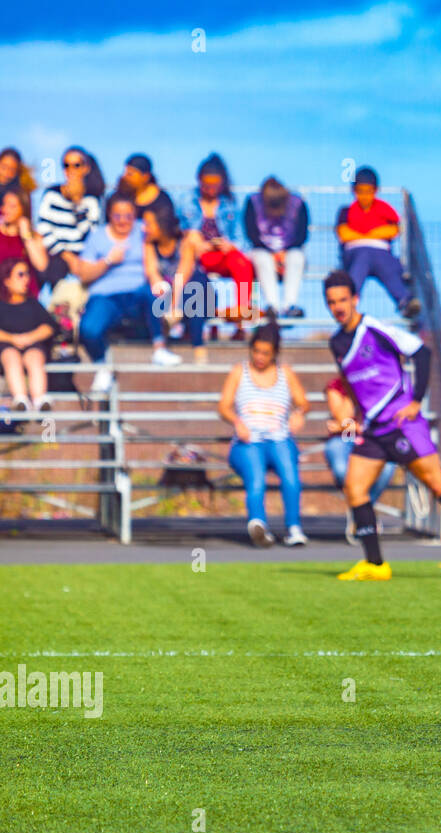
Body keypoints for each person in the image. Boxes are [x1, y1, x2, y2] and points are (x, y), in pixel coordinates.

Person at [324, 270, 441, 580]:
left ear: (355, 299)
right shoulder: (336, 342)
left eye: (343, 300)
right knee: (354, 488)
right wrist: (353, 417)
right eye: (332, 302)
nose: (338, 307)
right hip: (374, 429)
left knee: (435, 482)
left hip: (403, 422)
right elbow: (352, 384)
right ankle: (376, 564)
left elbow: (422, 352)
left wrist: (416, 399)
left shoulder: (374, 328)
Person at [72, 192, 182, 393]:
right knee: (88, 329)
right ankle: (102, 365)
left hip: (138, 295)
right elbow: (83, 274)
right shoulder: (97, 237)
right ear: (109, 215)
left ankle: (159, 348)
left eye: (128, 216)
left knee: (152, 294)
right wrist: (107, 261)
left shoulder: (143, 232)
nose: (123, 221)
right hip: (106, 296)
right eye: (117, 216)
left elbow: (169, 241)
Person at [217, 322, 310, 547]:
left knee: (290, 477)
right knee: (256, 478)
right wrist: (237, 422)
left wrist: (299, 413)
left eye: (265, 353)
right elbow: (224, 406)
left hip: (279, 438)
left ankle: (293, 527)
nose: (259, 357)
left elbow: (303, 403)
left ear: (275, 353)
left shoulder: (285, 373)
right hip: (249, 441)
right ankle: (258, 524)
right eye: (256, 351)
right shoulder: (240, 371)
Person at [334, 167, 420, 319]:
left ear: (375, 190)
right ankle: (349, 305)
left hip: (381, 254)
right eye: (360, 191)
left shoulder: (385, 210)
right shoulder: (346, 211)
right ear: (354, 191)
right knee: (363, 259)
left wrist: (361, 233)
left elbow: (393, 230)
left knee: (387, 265)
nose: (365, 196)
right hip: (355, 254)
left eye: (369, 191)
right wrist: (374, 232)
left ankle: (405, 301)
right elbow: (344, 234)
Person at [179, 154, 255, 322]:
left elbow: (240, 237)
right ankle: (185, 317)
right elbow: (176, 230)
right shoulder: (186, 201)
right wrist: (193, 239)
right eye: (206, 184)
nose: (211, 189)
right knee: (190, 252)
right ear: (199, 180)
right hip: (196, 255)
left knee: (241, 262)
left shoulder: (230, 204)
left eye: (215, 185)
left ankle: (242, 311)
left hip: (221, 254)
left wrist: (231, 245)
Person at [322, 376, 396, 542]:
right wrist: (352, 391)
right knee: (342, 470)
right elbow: (343, 421)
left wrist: (350, 426)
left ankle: (362, 511)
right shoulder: (336, 386)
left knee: (387, 467)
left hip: (371, 438)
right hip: (344, 438)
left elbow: (379, 422)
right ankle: (361, 511)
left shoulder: (377, 382)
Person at [142, 205, 209, 364]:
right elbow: (153, 274)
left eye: (149, 224)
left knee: (194, 291)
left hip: (196, 293)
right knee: (150, 293)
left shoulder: (185, 242)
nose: (145, 228)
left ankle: (199, 348)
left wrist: (174, 309)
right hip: (172, 293)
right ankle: (163, 338)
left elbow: (182, 276)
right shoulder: (149, 244)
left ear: (162, 225)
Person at [35, 145, 105, 287]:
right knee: (56, 269)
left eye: (76, 165)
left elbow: (91, 235)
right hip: (57, 254)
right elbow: (43, 229)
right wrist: (66, 255)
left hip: (83, 256)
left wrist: (77, 203)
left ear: (86, 168)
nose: (70, 170)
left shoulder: (92, 199)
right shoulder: (51, 193)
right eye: (66, 165)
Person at [244, 176, 309, 319]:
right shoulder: (253, 202)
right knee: (262, 259)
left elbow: (302, 235)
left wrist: (284, 253)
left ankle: (289, 306)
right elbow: (251, 233)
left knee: (297, 257)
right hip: (262, 251)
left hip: (290, 250)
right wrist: (273, 255)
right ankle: (272, 307)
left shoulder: (297, 203)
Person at [0, 258, 58, 412]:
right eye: (20, 275)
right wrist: (13, 339)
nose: (25, 279)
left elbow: (49, 326)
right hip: (6, 350)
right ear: (6, 280)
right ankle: (20, 400)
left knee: (35, 357)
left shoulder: (33, 304)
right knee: (10, 356)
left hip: (33, 347)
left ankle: (39, 400)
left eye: (27, 274)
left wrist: (29, 338)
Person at [0, 188, 49, 297]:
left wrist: (26, 235)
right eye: (4, 204)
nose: (5, 209)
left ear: (23, 209)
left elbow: (41, 265)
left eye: (12, 206)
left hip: (25, 299)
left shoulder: (34, 236)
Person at [117, 154, 174, 224]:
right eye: (125, 173)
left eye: (130, 174)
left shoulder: (163, 200)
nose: (125, 177)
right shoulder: (119, 197)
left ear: (145, 177)